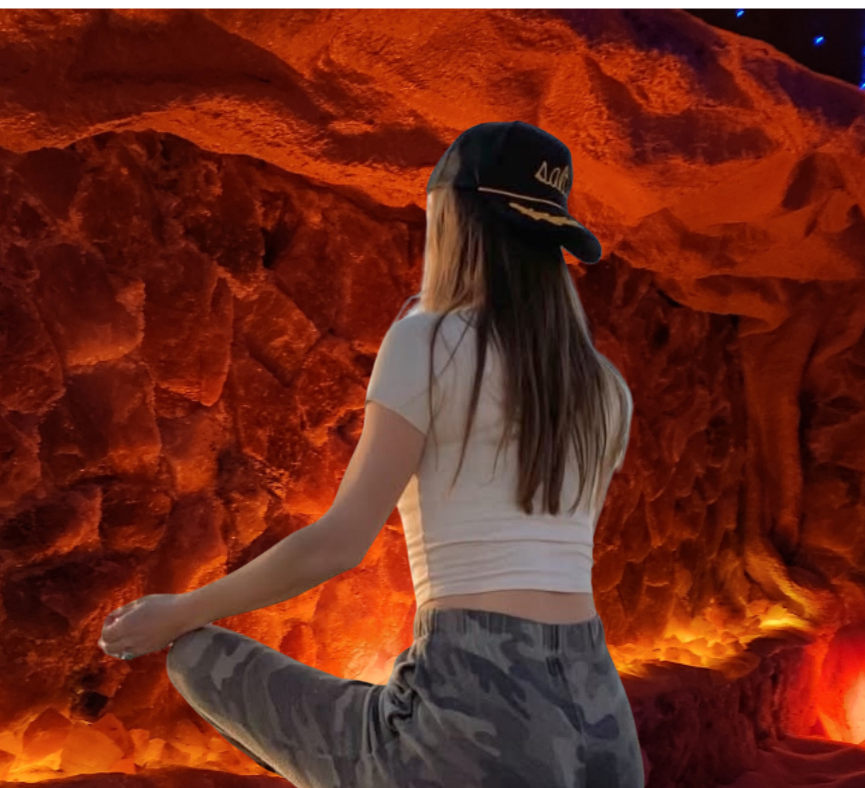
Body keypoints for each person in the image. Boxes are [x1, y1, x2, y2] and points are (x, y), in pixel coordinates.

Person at [165, 121, 644, 787]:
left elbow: (337, 544)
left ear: (454, 216)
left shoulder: (427, 342)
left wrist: (178, 611)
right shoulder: (604, 390)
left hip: (480, 725)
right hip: (605, 730)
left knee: (195, 658)